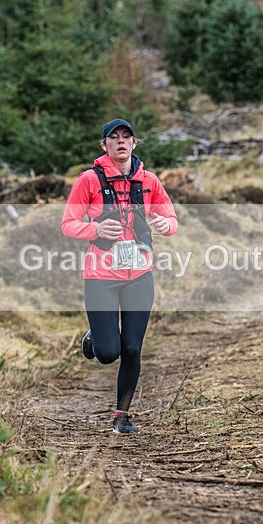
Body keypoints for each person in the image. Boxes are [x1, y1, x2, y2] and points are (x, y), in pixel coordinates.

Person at [61, 118, 178, 434]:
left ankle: (121, 417)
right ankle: (94, 339)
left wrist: (168, 225)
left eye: (127, 137)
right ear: (105, 146)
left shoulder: (149, 181)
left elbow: (169, 216)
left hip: (140, 274)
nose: (121, 141)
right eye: (114, 137)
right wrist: (95, 229)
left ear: (134, 144)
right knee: (109, 352)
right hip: (101, 275)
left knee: (132, 348)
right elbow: (68, 223)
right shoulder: (89, 180)